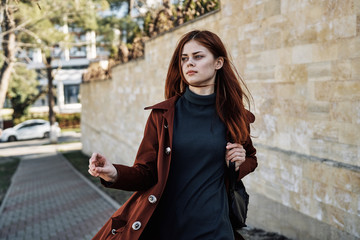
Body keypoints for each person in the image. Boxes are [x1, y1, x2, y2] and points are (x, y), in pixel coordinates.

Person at [88, 30, 257, 240]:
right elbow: (147, 172)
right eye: (184, 58)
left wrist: (239, 163)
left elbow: (251, 158)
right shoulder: (163, 116)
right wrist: (113, 173)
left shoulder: (234, 116)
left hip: (215, 228)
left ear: (218, 63)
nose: (189, 63)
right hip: (168, 228)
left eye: (198, 56)